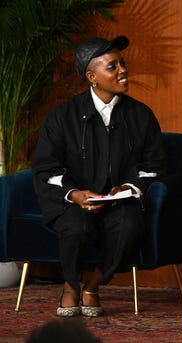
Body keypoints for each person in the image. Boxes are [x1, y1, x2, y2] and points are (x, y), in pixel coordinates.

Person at [32, 35, 167, 317]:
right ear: (92, 76)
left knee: (129, 225)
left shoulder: (141, 115)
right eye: (112, 66)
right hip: (73, 201)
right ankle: (70, 286)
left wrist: (128, 188)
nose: (122, 70)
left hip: (120, 202)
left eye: (123, 63)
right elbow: (46, 169)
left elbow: (153, 164)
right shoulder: (61, 117)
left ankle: (93, 284)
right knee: (78, 227)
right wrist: (74, 194)